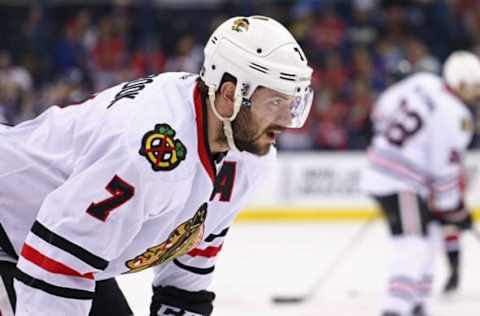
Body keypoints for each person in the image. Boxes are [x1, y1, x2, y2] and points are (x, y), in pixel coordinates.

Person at [0, 15, 313, 316]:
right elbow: (55, 263)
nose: (286, 121)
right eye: (274, 103)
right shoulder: (149, 151)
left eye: (292, 105)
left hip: (49, 245)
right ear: (230, 95)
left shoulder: (247, 157)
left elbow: (190, 265)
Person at [363, 51, 480, 316]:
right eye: (474, 87)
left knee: (428, 238)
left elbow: (382, 107)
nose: (476, 94)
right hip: (403, 181)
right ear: (461, 84)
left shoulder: (423, 81)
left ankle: (418, 303)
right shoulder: (458, 116)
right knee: (413, 243)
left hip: (384, 170)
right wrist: (455, 210)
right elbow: (444, 172)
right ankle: (396, 307)